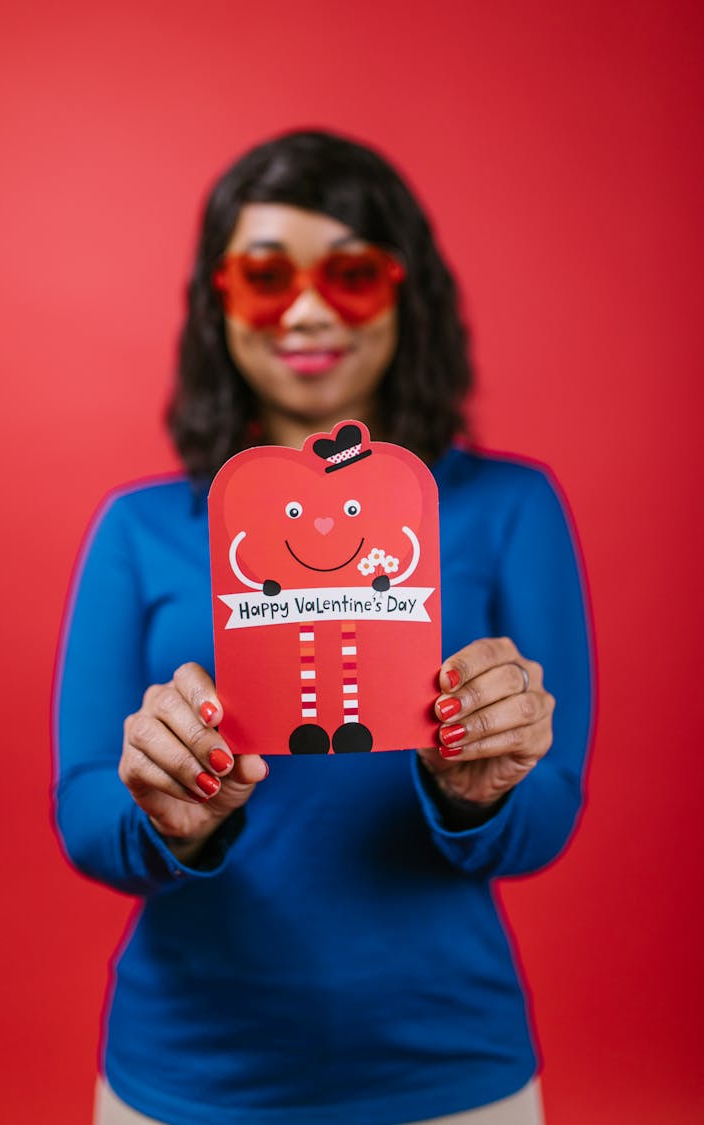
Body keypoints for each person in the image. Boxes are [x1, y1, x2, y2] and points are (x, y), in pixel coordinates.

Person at [53, 130, 593, 1125]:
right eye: (265, 277)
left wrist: (477, 794)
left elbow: (549, 808)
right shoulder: (137, 529)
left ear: (406, 291)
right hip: (187, 1075)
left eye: (349, 274)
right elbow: (85, 810)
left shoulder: (514, 508)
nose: (305, 310)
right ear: (220, 303)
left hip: (450, 1072)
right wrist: (169, 819)